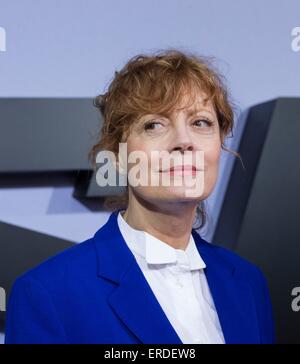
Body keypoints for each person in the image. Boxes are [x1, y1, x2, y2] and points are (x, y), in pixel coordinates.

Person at [5, 49, 275, 344]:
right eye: (154, 125)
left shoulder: (248, 283)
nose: (184, 142)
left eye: (200, 122)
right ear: (118, 156)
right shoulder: (49, 294)